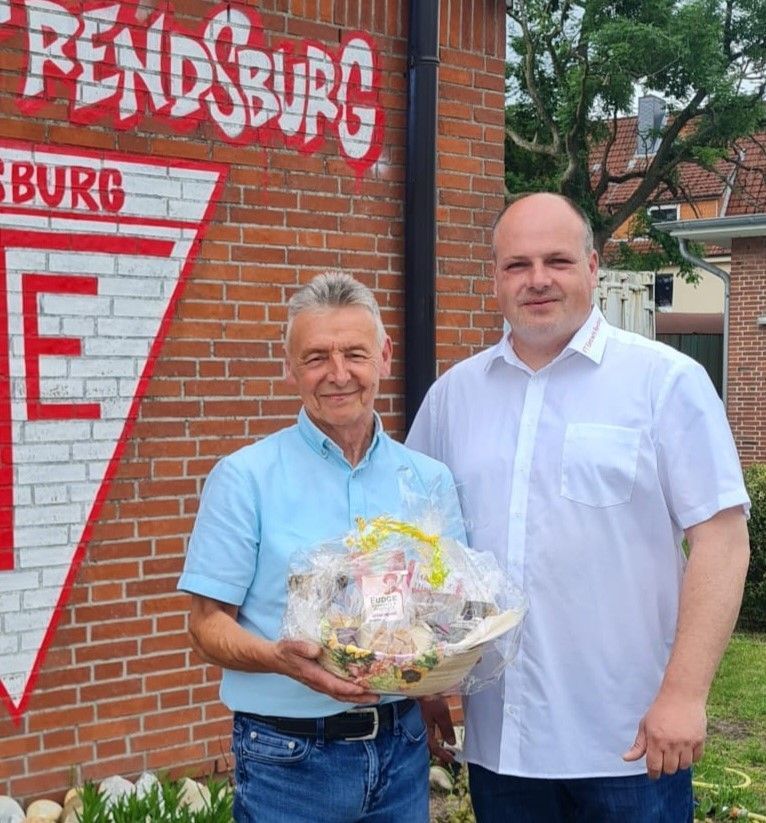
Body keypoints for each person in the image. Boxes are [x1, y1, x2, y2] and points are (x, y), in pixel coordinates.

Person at [406, 192, 751, 822]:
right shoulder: (453, 398)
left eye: (557, 261)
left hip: (632, 742)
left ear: (593, 266)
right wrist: (426, 678)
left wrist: (684, 694)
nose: (537, 279)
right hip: (502, 745)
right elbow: (419, 546)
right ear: (494, 277)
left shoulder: (665, 383)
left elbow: (723, 543)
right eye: (517, 264)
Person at [178, 271, 463, 822]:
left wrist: (431, 688)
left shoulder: (428, 481)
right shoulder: (244, 478)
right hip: (288, 759)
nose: (338, 374)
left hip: (402, 749)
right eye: (315, 358)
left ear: (384, 357)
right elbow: (206, 625)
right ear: (289, 368)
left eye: (354, 354)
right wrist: (280, 660)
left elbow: (443, 609)